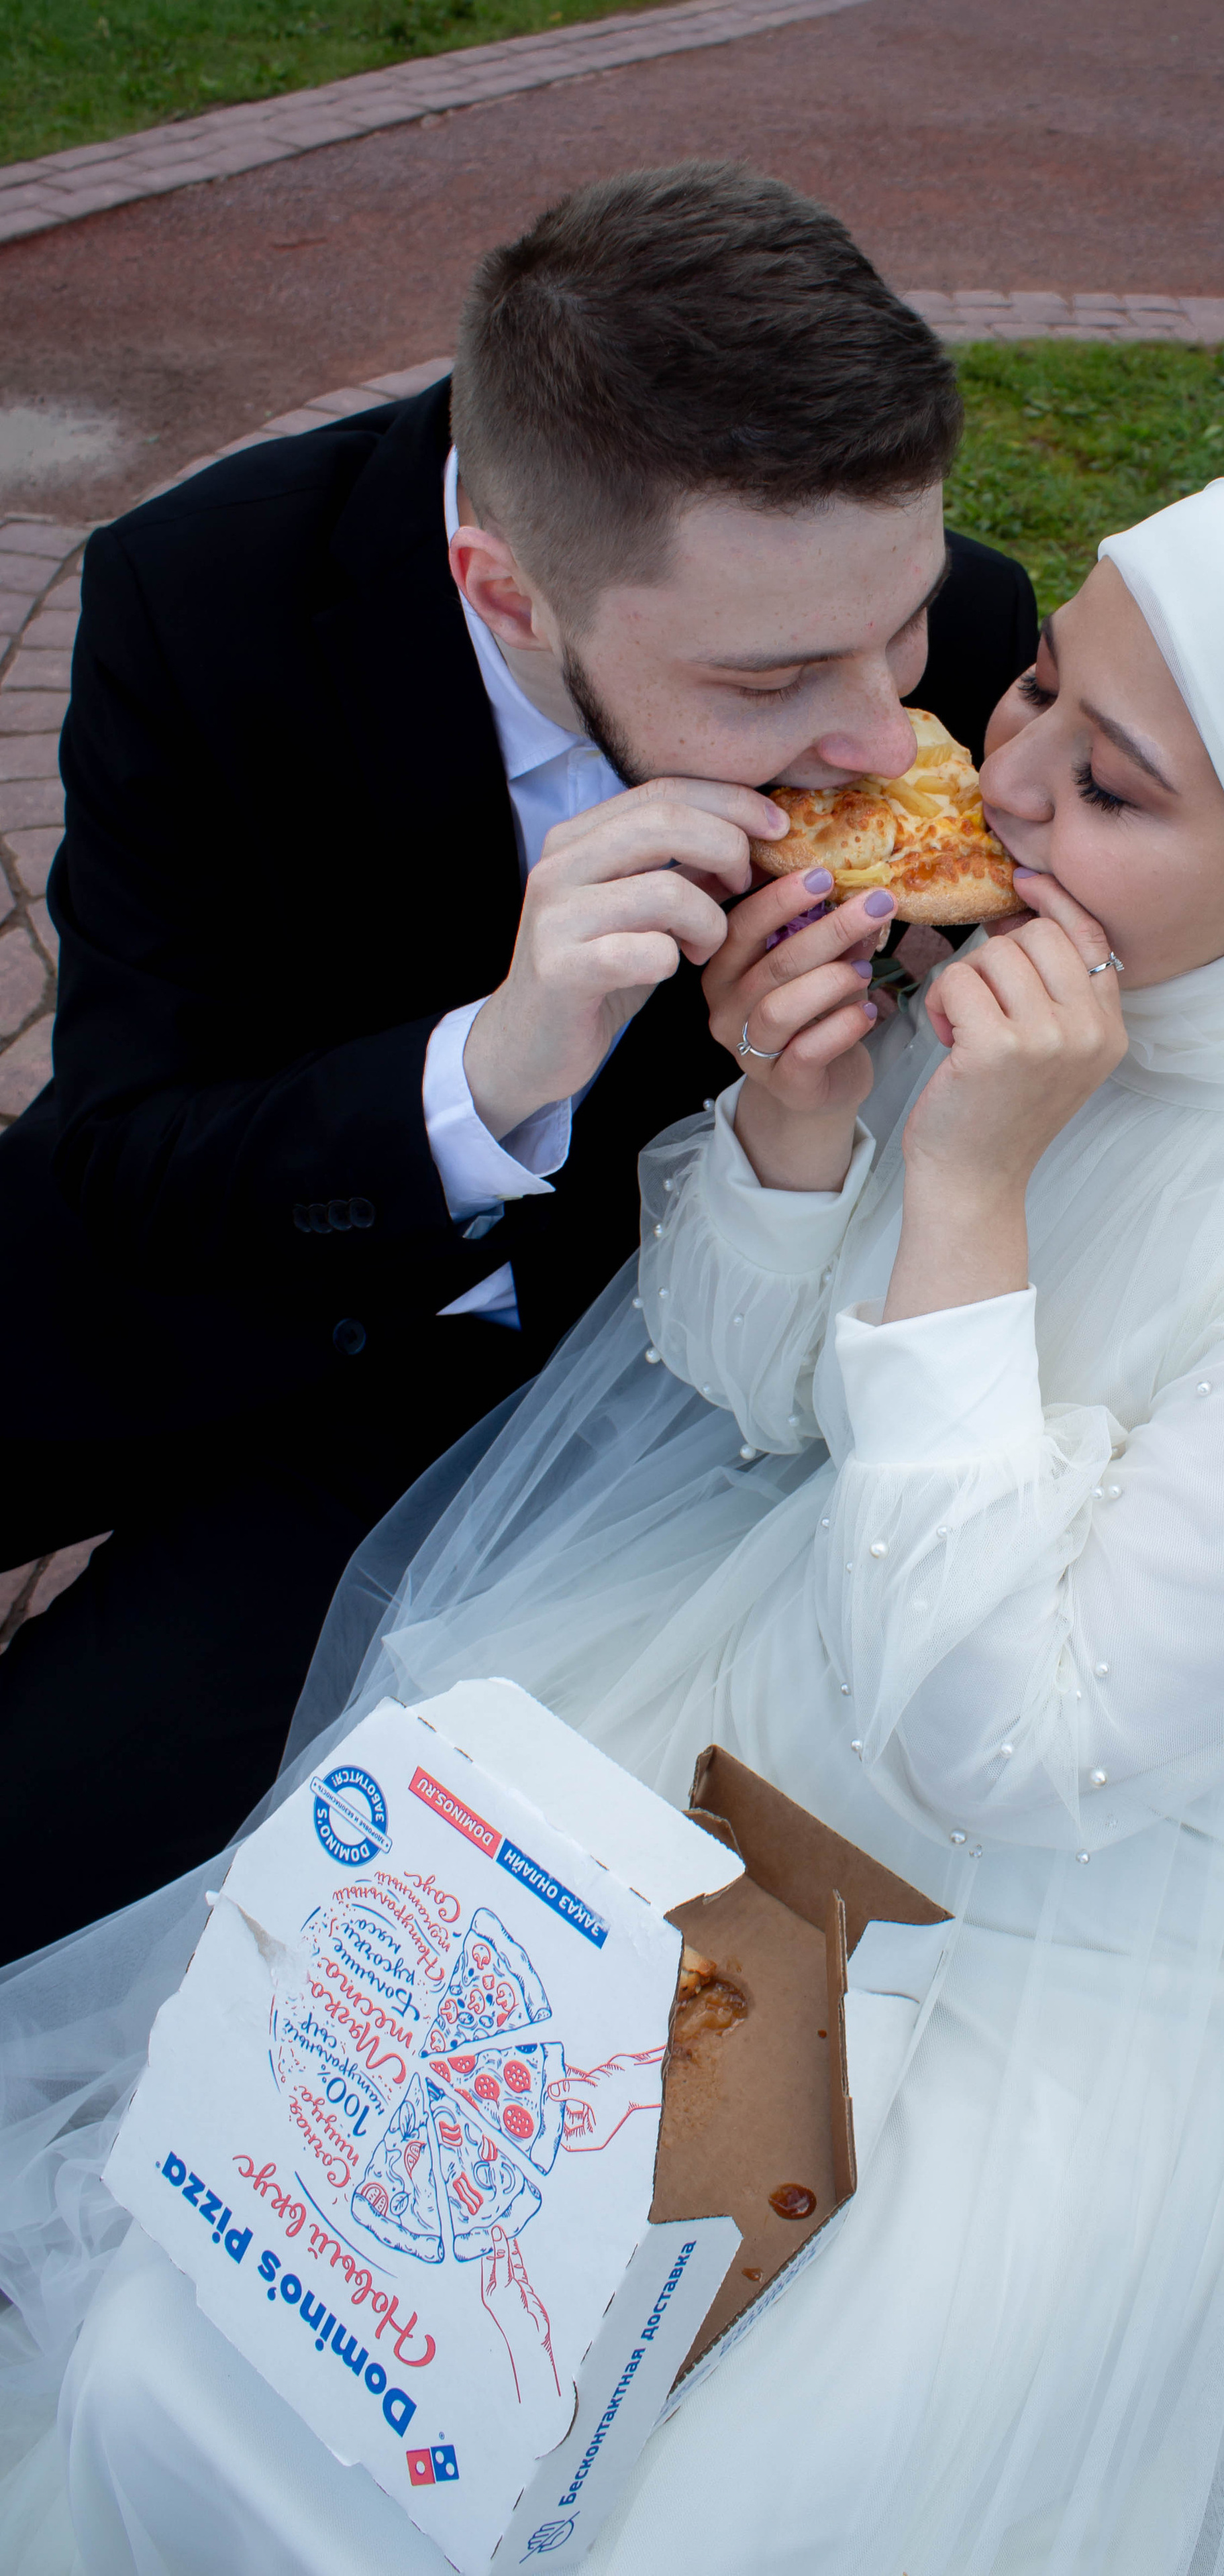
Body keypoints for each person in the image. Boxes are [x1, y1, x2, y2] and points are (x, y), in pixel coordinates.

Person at [2, 443, 1224, 2575]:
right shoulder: (1037, 984)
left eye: (1117, 786)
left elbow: (1000, 1738)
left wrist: (972, 1189)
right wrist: (809, 1131)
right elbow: (751, 1388)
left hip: (1060, 1943)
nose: (1004, 789)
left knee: (615, 2499)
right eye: (1036, 697)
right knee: (258, 2316)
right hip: (768, 1738)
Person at [0, 162, 1037, 1957]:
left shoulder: (983, 624)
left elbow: (1210, 922)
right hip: (169, 1265)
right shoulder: (206, 598)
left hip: (511, 1422)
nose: (883, 729)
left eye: (905, 626)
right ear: (504, 591)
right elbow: (133, 1148)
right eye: (773, 676)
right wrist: (494, 1067)